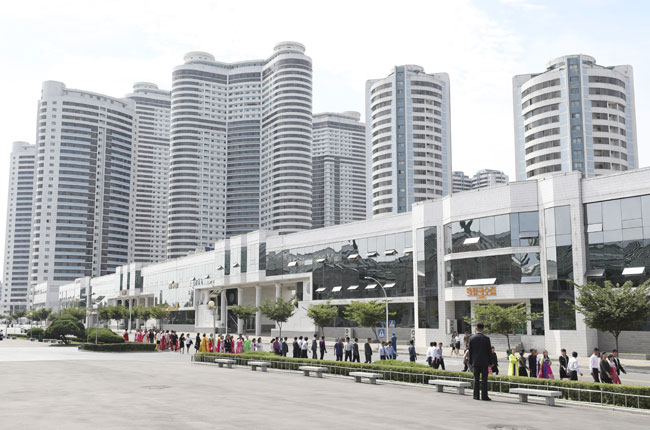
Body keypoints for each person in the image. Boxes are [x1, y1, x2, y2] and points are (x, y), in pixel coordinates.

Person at [468, 323, 492, 401]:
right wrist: (490, 362)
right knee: (484, 380)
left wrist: (470, 362)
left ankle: (476, 396)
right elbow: (489, 351)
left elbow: (470, 351)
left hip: (475, 362)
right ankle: (484, 396)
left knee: (476, 379)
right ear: (483, 329)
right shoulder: (486, 339)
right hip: (484, 362)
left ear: (476, 328)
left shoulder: (471, 338)